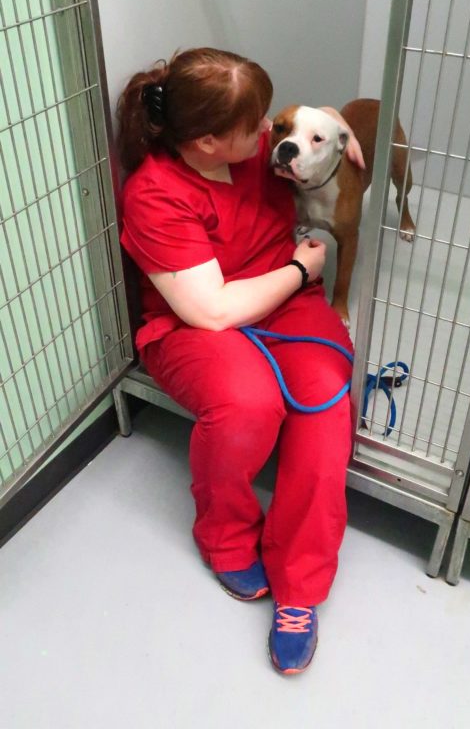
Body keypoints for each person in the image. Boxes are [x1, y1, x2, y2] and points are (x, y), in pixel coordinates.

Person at [116, 47, 364, 675]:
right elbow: (213, 311)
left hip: (282, 300)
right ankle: (225, 539)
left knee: (328, 398)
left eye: (268, 123)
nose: (267, 134)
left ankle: (300, 586)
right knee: (250, 403)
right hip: (197, 322)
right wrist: (301, 268)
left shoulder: (261, 154)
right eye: (256, 125)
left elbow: (309, 134)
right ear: (203, 141)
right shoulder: (155, 194)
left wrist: (339, 126)